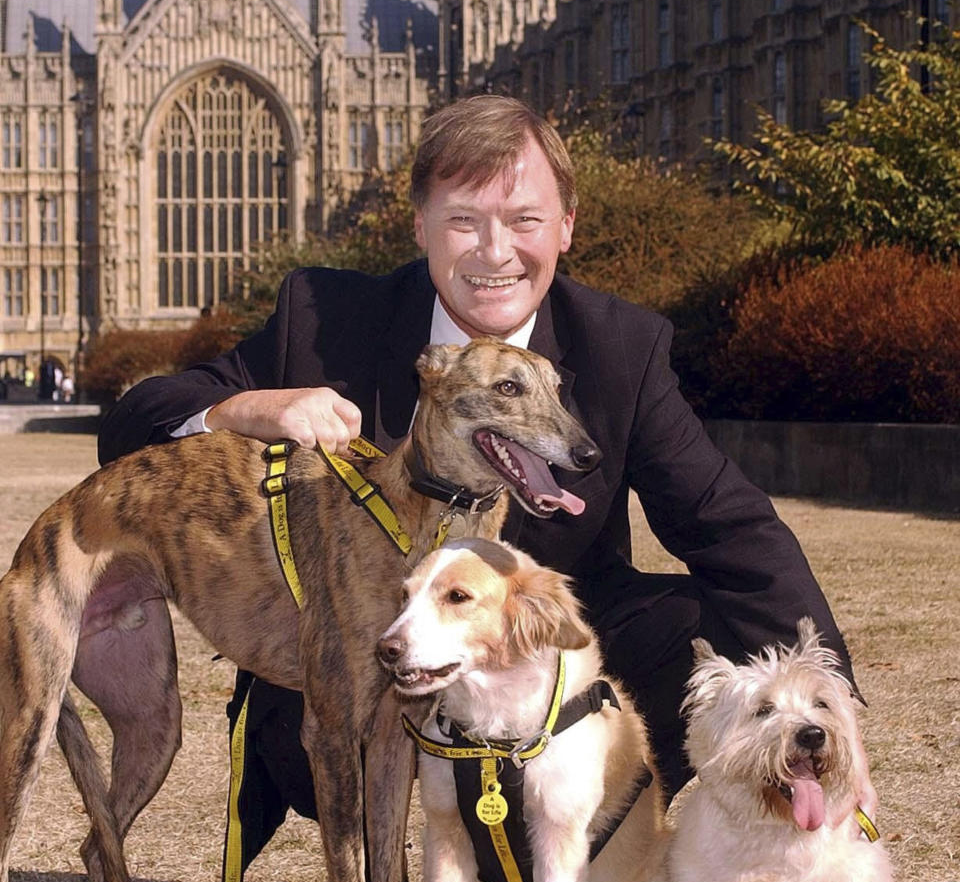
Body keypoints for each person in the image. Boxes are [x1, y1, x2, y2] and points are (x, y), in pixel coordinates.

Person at [99, 93, 865, 811]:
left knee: (716, 627)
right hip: (367, 653)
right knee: (318, 727)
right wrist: (243, 407)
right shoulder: (327, 320)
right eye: (464, 220)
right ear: (421, 225)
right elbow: (133, 425)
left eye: (524, 219)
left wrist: (841, 714)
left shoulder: (619, 347)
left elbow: (727, 525)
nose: (496, 252)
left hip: (539, 652)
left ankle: (579, 829)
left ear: (566, 224)